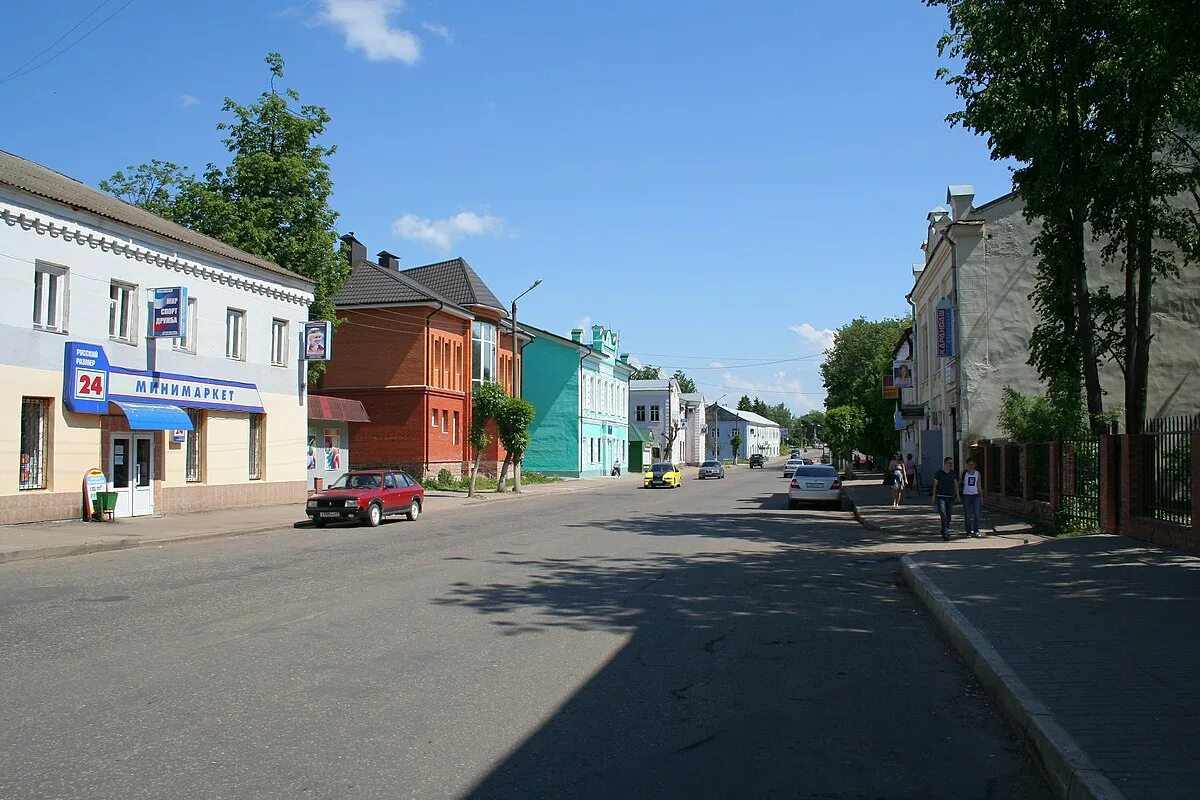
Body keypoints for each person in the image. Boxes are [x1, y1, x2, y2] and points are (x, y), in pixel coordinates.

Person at [932, 456, 961, 541]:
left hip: (950, 497)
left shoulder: (952, 473)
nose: (951, 465)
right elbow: (935, 485)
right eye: (950, 463)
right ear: (945, 463)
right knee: (943, 515)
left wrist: (958, 495)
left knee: (949, 516)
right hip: (941, 497)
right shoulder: (939, 473)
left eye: (952, 463)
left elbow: (955, 485)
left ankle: (944, 529)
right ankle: (946, 532)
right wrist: (933, 496)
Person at [961, 458, 983, 538]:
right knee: (967, 514)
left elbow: (979, 484)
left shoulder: (977, 473)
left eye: (972, 465)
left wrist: (981, 496)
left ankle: (976, 530)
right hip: (966, 495)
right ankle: (968, 531)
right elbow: (960, 482)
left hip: (975, 495)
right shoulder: (964, 473)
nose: (971, 466)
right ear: (967, 465)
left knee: (976, 514)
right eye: (969, 465)